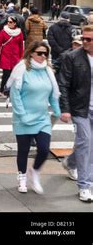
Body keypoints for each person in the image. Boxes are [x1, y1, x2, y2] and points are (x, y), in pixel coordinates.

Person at [7, 41, 61, 194]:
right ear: (31, 53)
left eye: (46, 53)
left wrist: (57, 111)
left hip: (42, 118)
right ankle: (22, 177)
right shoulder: (22, 69)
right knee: (23, 150)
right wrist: (22, 115)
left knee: (44, 149)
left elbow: (52, 94)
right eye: (40, 53)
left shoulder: (48, 71)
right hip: (23, 117)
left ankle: (35, 172)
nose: (43, 56)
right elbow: (15, 94)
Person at [58, 25, 93, 202]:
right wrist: (64, 109)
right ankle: (85, 185)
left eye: (89, 39)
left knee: (87, 144)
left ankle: (71, 162)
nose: (84, 42)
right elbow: (63, 84)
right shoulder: (72, 57)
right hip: (81, 108)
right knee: (86, 142)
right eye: (83, 38)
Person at [0, 16, 24, 97]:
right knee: (6, 74)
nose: (8, 23)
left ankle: (8, 91)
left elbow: (21, 46)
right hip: (5, 56)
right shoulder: (3, 31)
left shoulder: (19, 32)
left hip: (15, 57)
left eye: (11, 22)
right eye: (8, 22)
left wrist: (21, 57)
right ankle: (2, 90)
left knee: (13, 75)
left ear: (15, 23)